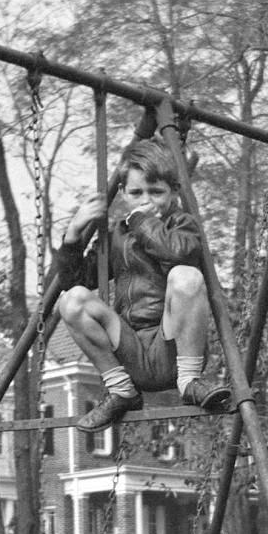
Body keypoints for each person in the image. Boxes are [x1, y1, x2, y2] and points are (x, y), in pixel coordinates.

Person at [55, 137, 231, 432]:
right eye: (136, 193)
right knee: (73, 300)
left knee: (186, 276)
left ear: (174, 191)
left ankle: (190, 383)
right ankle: (121, 389)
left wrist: (141, 220)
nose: (145, 200)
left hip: (172, 347)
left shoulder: (183, 225)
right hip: (130, 349)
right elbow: (75, 281)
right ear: (122, 193)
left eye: (156, 192)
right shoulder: (117, 235)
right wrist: (73, 234)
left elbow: (177, 253)